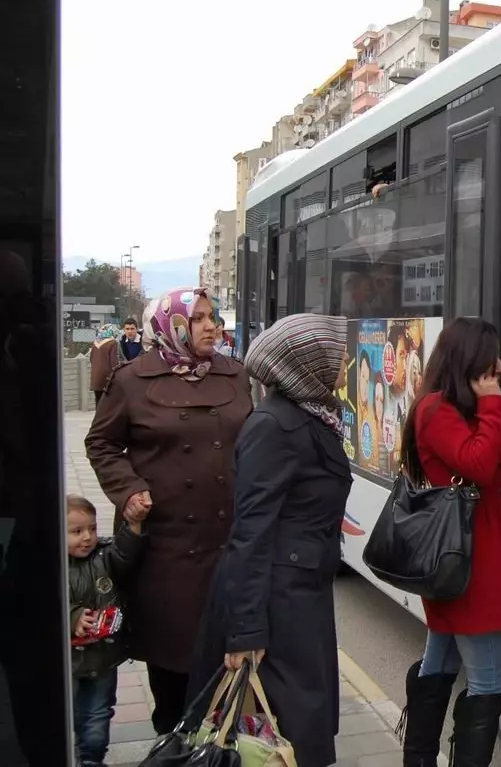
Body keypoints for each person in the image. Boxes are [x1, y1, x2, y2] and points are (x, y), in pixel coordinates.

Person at [84, 286, 253, 735]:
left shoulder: (234, 374)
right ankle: (173, 745)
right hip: (166, 549)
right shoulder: (131, 378)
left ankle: (219, 749)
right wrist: (128, 489)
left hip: (227, 541)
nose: (211, 325)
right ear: (171, 324)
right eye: (198, 318)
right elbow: (101, 443)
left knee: (227, 665)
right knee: (174, 669)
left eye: (212, 316)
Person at [187, 313, 351, 767]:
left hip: (300, 593)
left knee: (296, 729)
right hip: (277, 605)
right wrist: (246, 631)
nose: (346, 362)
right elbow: (251, 531)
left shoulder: (314, 416)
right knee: (284, 731)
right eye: (337, 355)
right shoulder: (274, 427)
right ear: (308, 363)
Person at [398, 317, 501, 767]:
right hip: (472, 567)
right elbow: (476, 464)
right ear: (468, 361)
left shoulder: (452, 409)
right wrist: (494, 405)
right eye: (492, 362)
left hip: (471, 560)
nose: (500, 369)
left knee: (439, 664)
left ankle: (418, 759)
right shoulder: (436, 410)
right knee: (489, 682)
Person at [67, 493, 147, 767]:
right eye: (76, 531)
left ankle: (92, 759)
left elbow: (125, 556)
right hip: (70, 664)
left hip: (102, 659)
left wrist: (134, 527)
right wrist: (73, 616)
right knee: (71, 714)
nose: (87, 537)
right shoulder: (54, 565)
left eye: (91, 528)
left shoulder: (103, 555)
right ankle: (73, 754)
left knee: (98, 714)